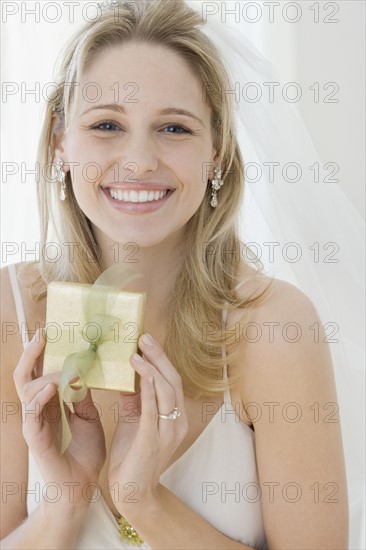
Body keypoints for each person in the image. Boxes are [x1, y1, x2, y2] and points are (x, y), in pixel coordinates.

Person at [0, 1, 349, 548]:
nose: (139, 161)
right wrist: (63, 508)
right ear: (60, 144)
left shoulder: (277, 328)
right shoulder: (9, 314)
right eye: (107, 124)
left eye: (174, 128)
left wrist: (147, 503)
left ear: (217, 154)